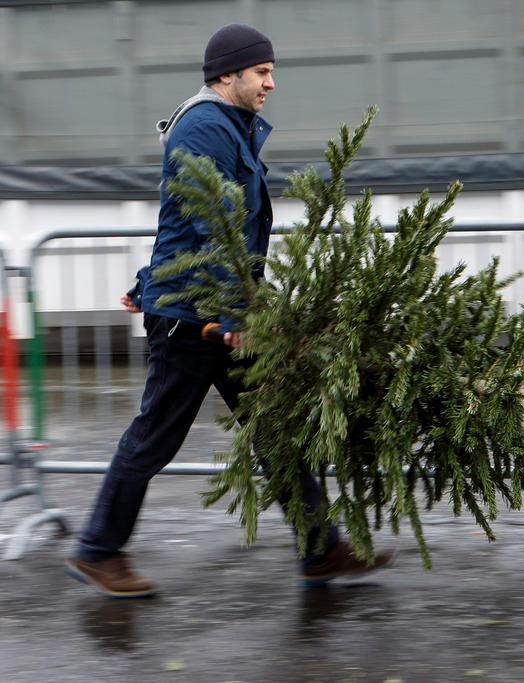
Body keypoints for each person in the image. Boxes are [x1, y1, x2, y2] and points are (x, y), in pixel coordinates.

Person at [65, 24, 392, 597]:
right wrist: (237, 314)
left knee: (275, 431)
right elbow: (212, 225)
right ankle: (97, 550)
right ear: (227, 74)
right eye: (261, 72)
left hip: (212, 309)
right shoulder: (206, 125)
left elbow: (187, 216)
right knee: (154, 438)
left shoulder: (224, 125)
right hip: (197, 320)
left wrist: (150, 281)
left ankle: (319, 550)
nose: (271, 82)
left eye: (269, 71)